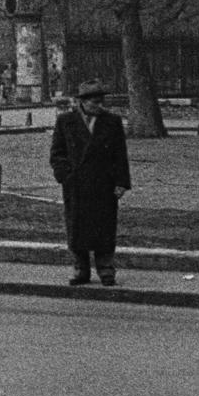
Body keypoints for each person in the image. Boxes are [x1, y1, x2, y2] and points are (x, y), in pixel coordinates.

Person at [49, 79, 131, 286]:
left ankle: (106, 268)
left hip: (104, 184)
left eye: (101, 101)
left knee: (105, 227)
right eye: (95, 102)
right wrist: (65, 176)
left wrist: (121, 182)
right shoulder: (66, 121)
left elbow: (120, 155)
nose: (99, 105)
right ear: (83, 102)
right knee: (77, 227)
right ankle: (81, 268)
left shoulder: (112, 121)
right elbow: (57, 153)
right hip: (76, 185)